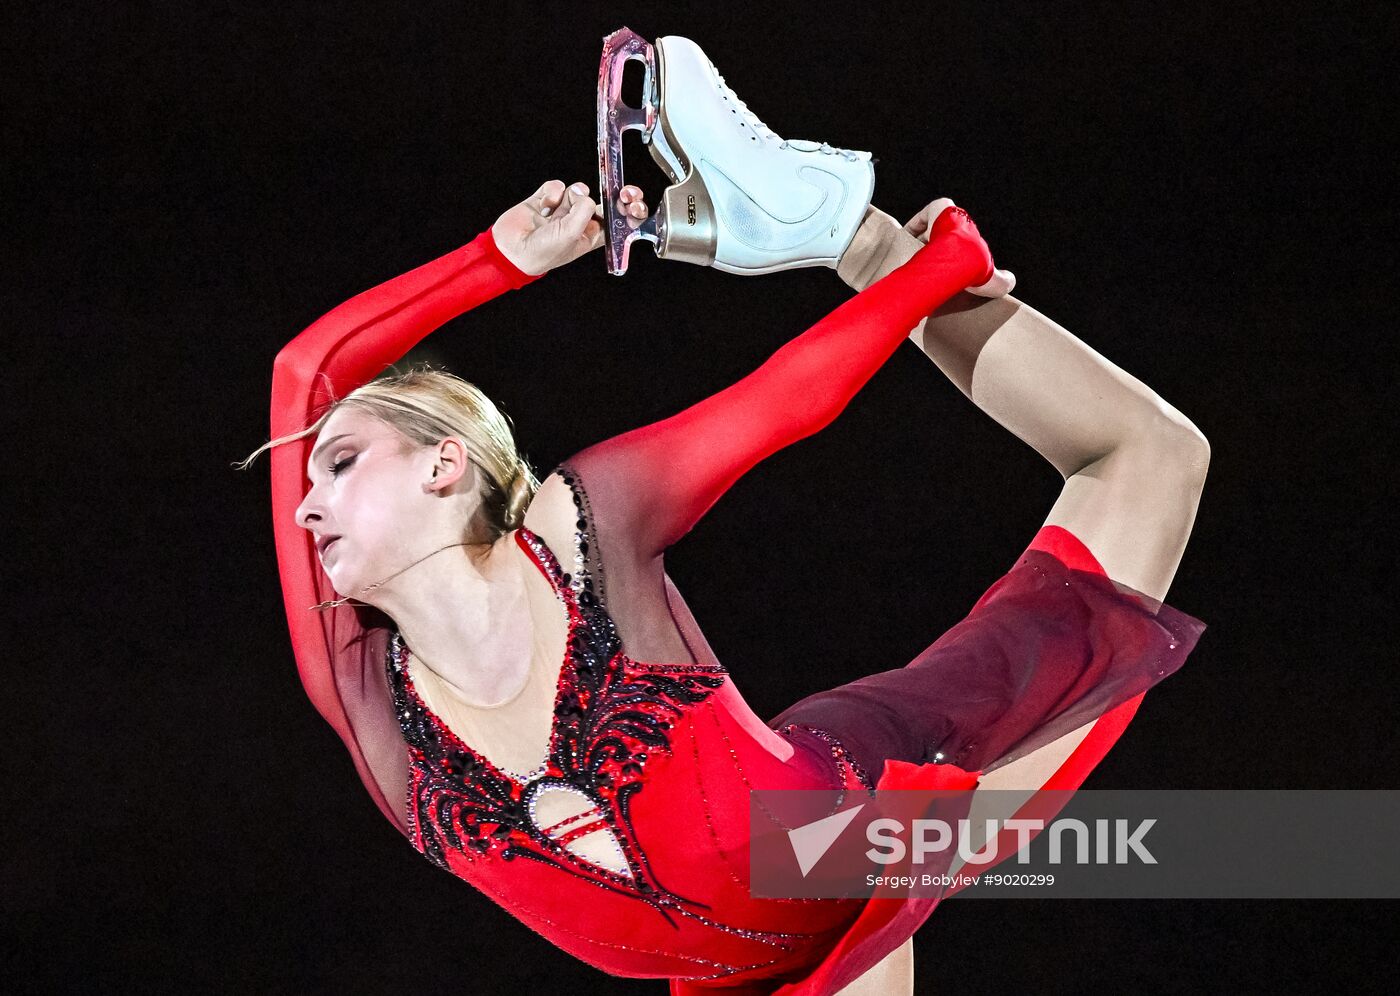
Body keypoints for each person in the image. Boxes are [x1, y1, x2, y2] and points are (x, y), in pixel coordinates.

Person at [243, 177, 1207, 995]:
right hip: (775, 967)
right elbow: (302, 372)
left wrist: (929, 268)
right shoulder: (364, 689)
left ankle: (845, 227)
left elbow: (788, 400)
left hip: (873, 807)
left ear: (443, 464)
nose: (302, 509)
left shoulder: (583, 532)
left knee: (1154, 458)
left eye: (341, 463)